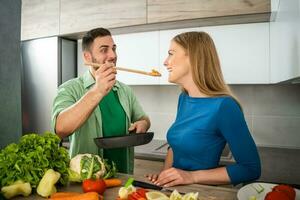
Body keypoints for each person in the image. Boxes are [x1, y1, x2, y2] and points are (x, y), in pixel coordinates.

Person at [147, 31, 261, 186]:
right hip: (176, 193)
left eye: (171, 54)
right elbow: (174, 147)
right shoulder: (184, 98)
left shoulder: (225, 106)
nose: (165, 62)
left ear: (193, 57)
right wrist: (164, 178)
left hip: (201, 192)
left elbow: (250, 169)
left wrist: (191, 177)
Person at [51, 27, 150, 174]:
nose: (112, 55)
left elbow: (143, 118)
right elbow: (61, 129)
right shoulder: (69, 88)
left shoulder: (125, 90)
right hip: (86, 177)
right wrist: (97, 90)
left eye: (114, 49)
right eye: (104, 50)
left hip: (123, 175)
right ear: (87, 57)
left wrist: (142, 124)